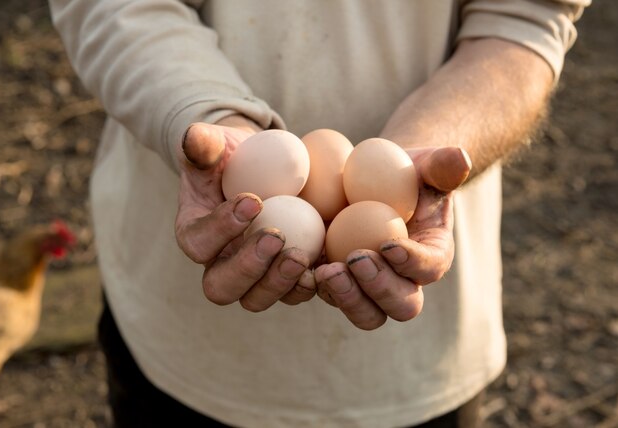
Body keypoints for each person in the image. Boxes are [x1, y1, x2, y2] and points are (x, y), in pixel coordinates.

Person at [49, 0, 589, 427]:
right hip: (180, 334)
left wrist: (415, 163)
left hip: (415, 366)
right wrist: (212, 122)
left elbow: (525, 15)